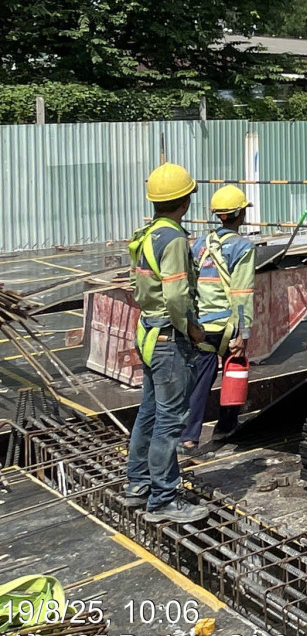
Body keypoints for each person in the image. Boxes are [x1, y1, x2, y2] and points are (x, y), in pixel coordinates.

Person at [123, 163, 211, 524]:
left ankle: (138, 484)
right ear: (185, 201)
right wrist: (190, 328)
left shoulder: (148, 234)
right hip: (167, 338)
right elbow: (175, 295)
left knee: (148, 412)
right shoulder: (173, 238)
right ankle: (163, 499)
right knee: (169, 421)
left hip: (148, 331)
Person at [182, 185, 257, 456]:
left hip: (202, 326)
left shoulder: (200, 244)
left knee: (200, 382)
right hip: (228, 326)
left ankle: (188, 439)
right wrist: (243, 334)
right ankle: (225, 427)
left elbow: (191, 285)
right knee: (234, 372)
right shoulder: (243, 247)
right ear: (240, 214)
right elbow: (242, 293)